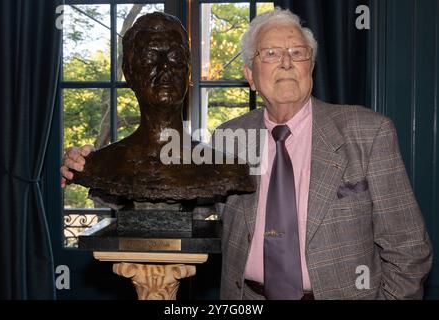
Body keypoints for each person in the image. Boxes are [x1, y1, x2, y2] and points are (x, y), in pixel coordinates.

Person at [61, 8, 433, 300]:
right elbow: (183, 209)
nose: (286, 62)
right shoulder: (229, 138)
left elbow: (409, 249)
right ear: (251, 75)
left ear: (311, 66)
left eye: (297, 53)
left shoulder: (367, 132)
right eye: (270, 54)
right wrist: (87, 169)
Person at [62, 12, 254, 205]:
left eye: (175, 57)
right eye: (150, 58)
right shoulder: (99, 165)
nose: (165, 69)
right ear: (129, 72)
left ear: (187, 70)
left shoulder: (227, 167)